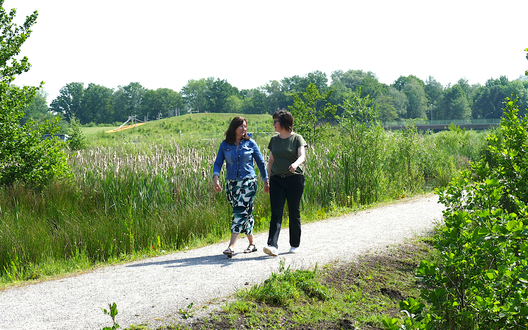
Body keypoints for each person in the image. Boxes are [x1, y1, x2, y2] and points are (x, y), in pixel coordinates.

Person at [213, 116, 269, 258]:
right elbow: (218, 163)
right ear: (234, 128)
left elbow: (261, 163)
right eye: (241, 126)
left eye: (245, 126)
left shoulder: (251, 144)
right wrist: (216, 178)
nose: (244, 129)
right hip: (231, 183)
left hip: (248, 182)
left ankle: (231, 246)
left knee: (239, 212)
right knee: (244, 213)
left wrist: (265, 181)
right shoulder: (225, 145)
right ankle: (252, 243)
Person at [263, 110, 307, 256]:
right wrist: (267, 180)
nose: (274, 124)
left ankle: (294, 244)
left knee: (294, 212)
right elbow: (271, 161)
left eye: (276, 121)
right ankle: (272, 245)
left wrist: (295, 164)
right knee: (276, 213)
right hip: (276, 180)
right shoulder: (274, 140)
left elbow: (302, 156)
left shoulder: (297, 138)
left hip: (295, 179)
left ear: (284, 122)